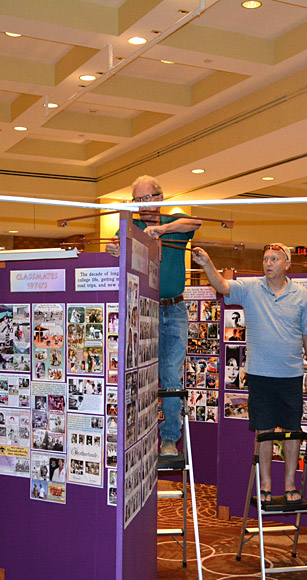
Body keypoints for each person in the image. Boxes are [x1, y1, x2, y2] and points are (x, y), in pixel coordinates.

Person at [192, 243, 307, 504]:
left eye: (274, 259)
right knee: (264, 431)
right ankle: (267, 486)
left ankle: (290, 484)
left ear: (287, 264)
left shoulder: (301, 295)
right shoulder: (250, 288)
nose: (268, 263)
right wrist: (206, 264)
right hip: (260, 375)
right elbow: (223, 286)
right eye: (265, 258)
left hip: (292, 375)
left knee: (292, 430)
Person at [107, 175, 200, 456]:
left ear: (159, 199)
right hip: (143, 310)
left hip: (174, 308)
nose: (143, 205)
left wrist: (163, 230)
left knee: (170, 372)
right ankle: (139, 434)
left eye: (148, 198)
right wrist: (115, 252)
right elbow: (117, 248)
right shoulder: (131, 227)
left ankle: (170, 439)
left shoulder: (175, 221)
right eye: (138, 200)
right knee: (140, 375)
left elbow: (195, 223)